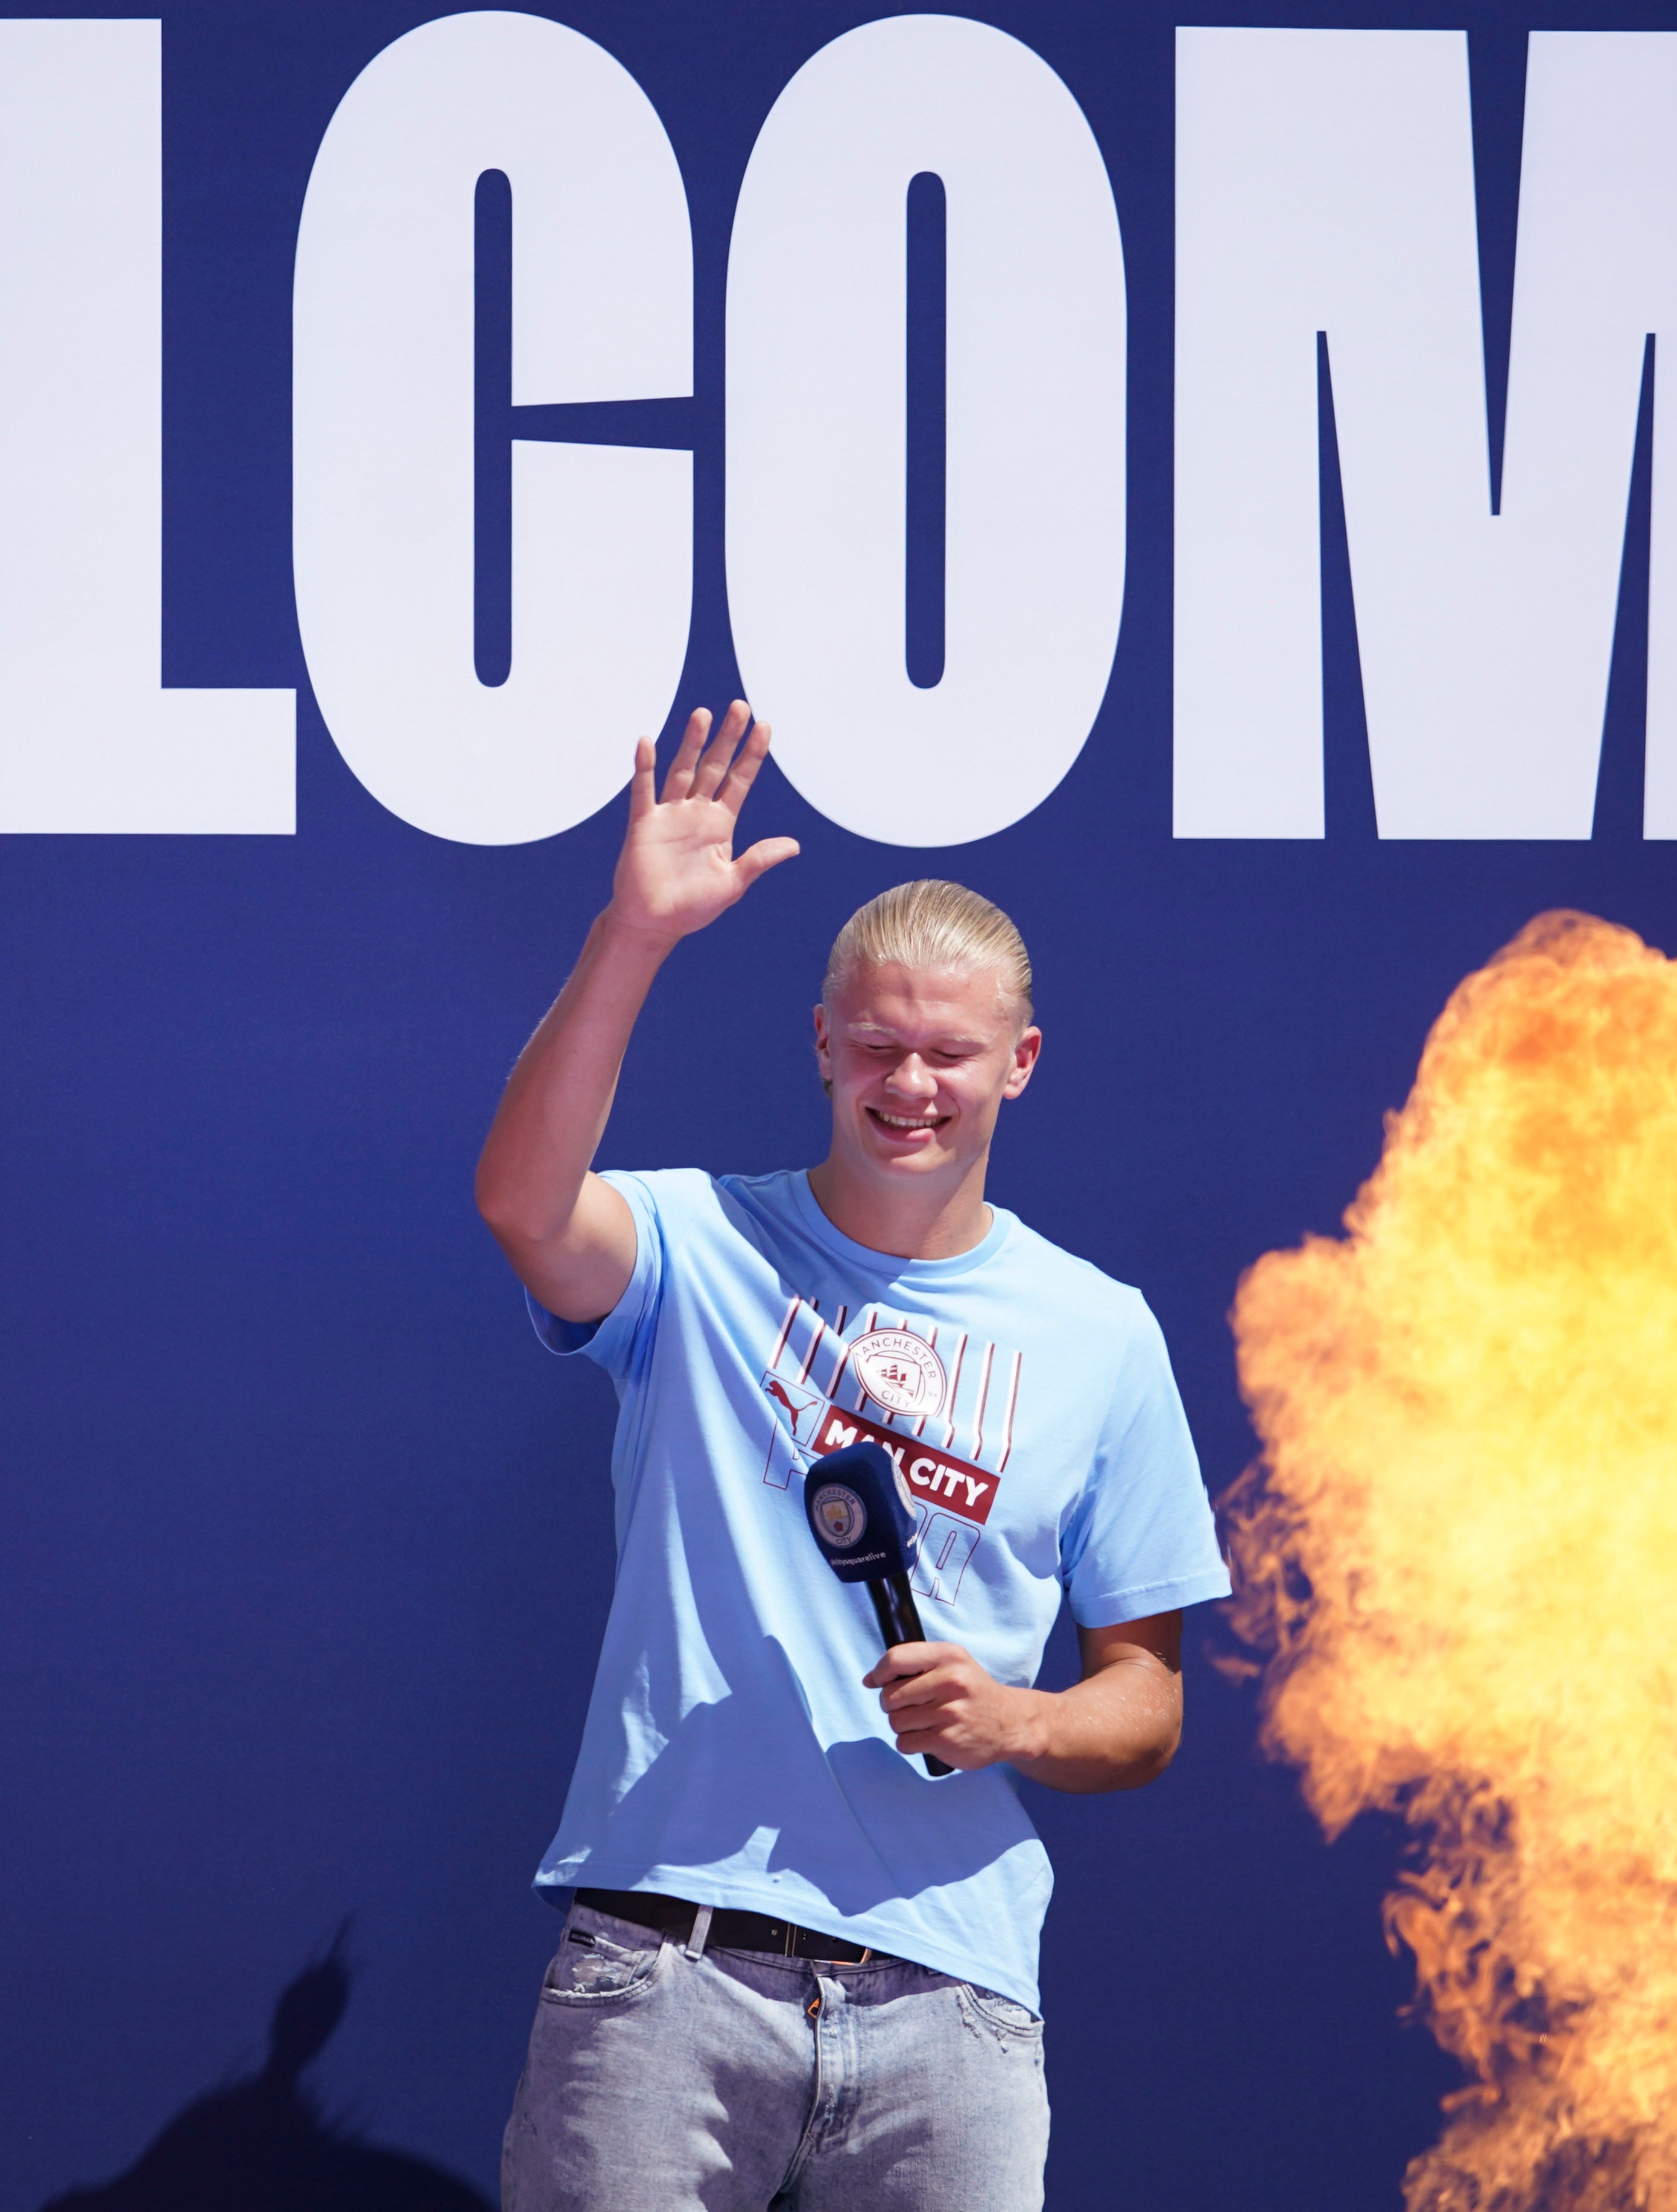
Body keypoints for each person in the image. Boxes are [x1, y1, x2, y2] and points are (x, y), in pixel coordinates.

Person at [474, 702, 1231, 2211]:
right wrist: (632, 936)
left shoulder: (1101, 1332)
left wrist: (1014, 1716)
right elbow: (521, 1203)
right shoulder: (699, 1241)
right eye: (877, 1044)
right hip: (665, 1977)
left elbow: (1146, 1700)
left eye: (950, 1052)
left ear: (1021, 1063)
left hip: (951, 2009)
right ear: (822, 1043)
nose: (910, 1083)